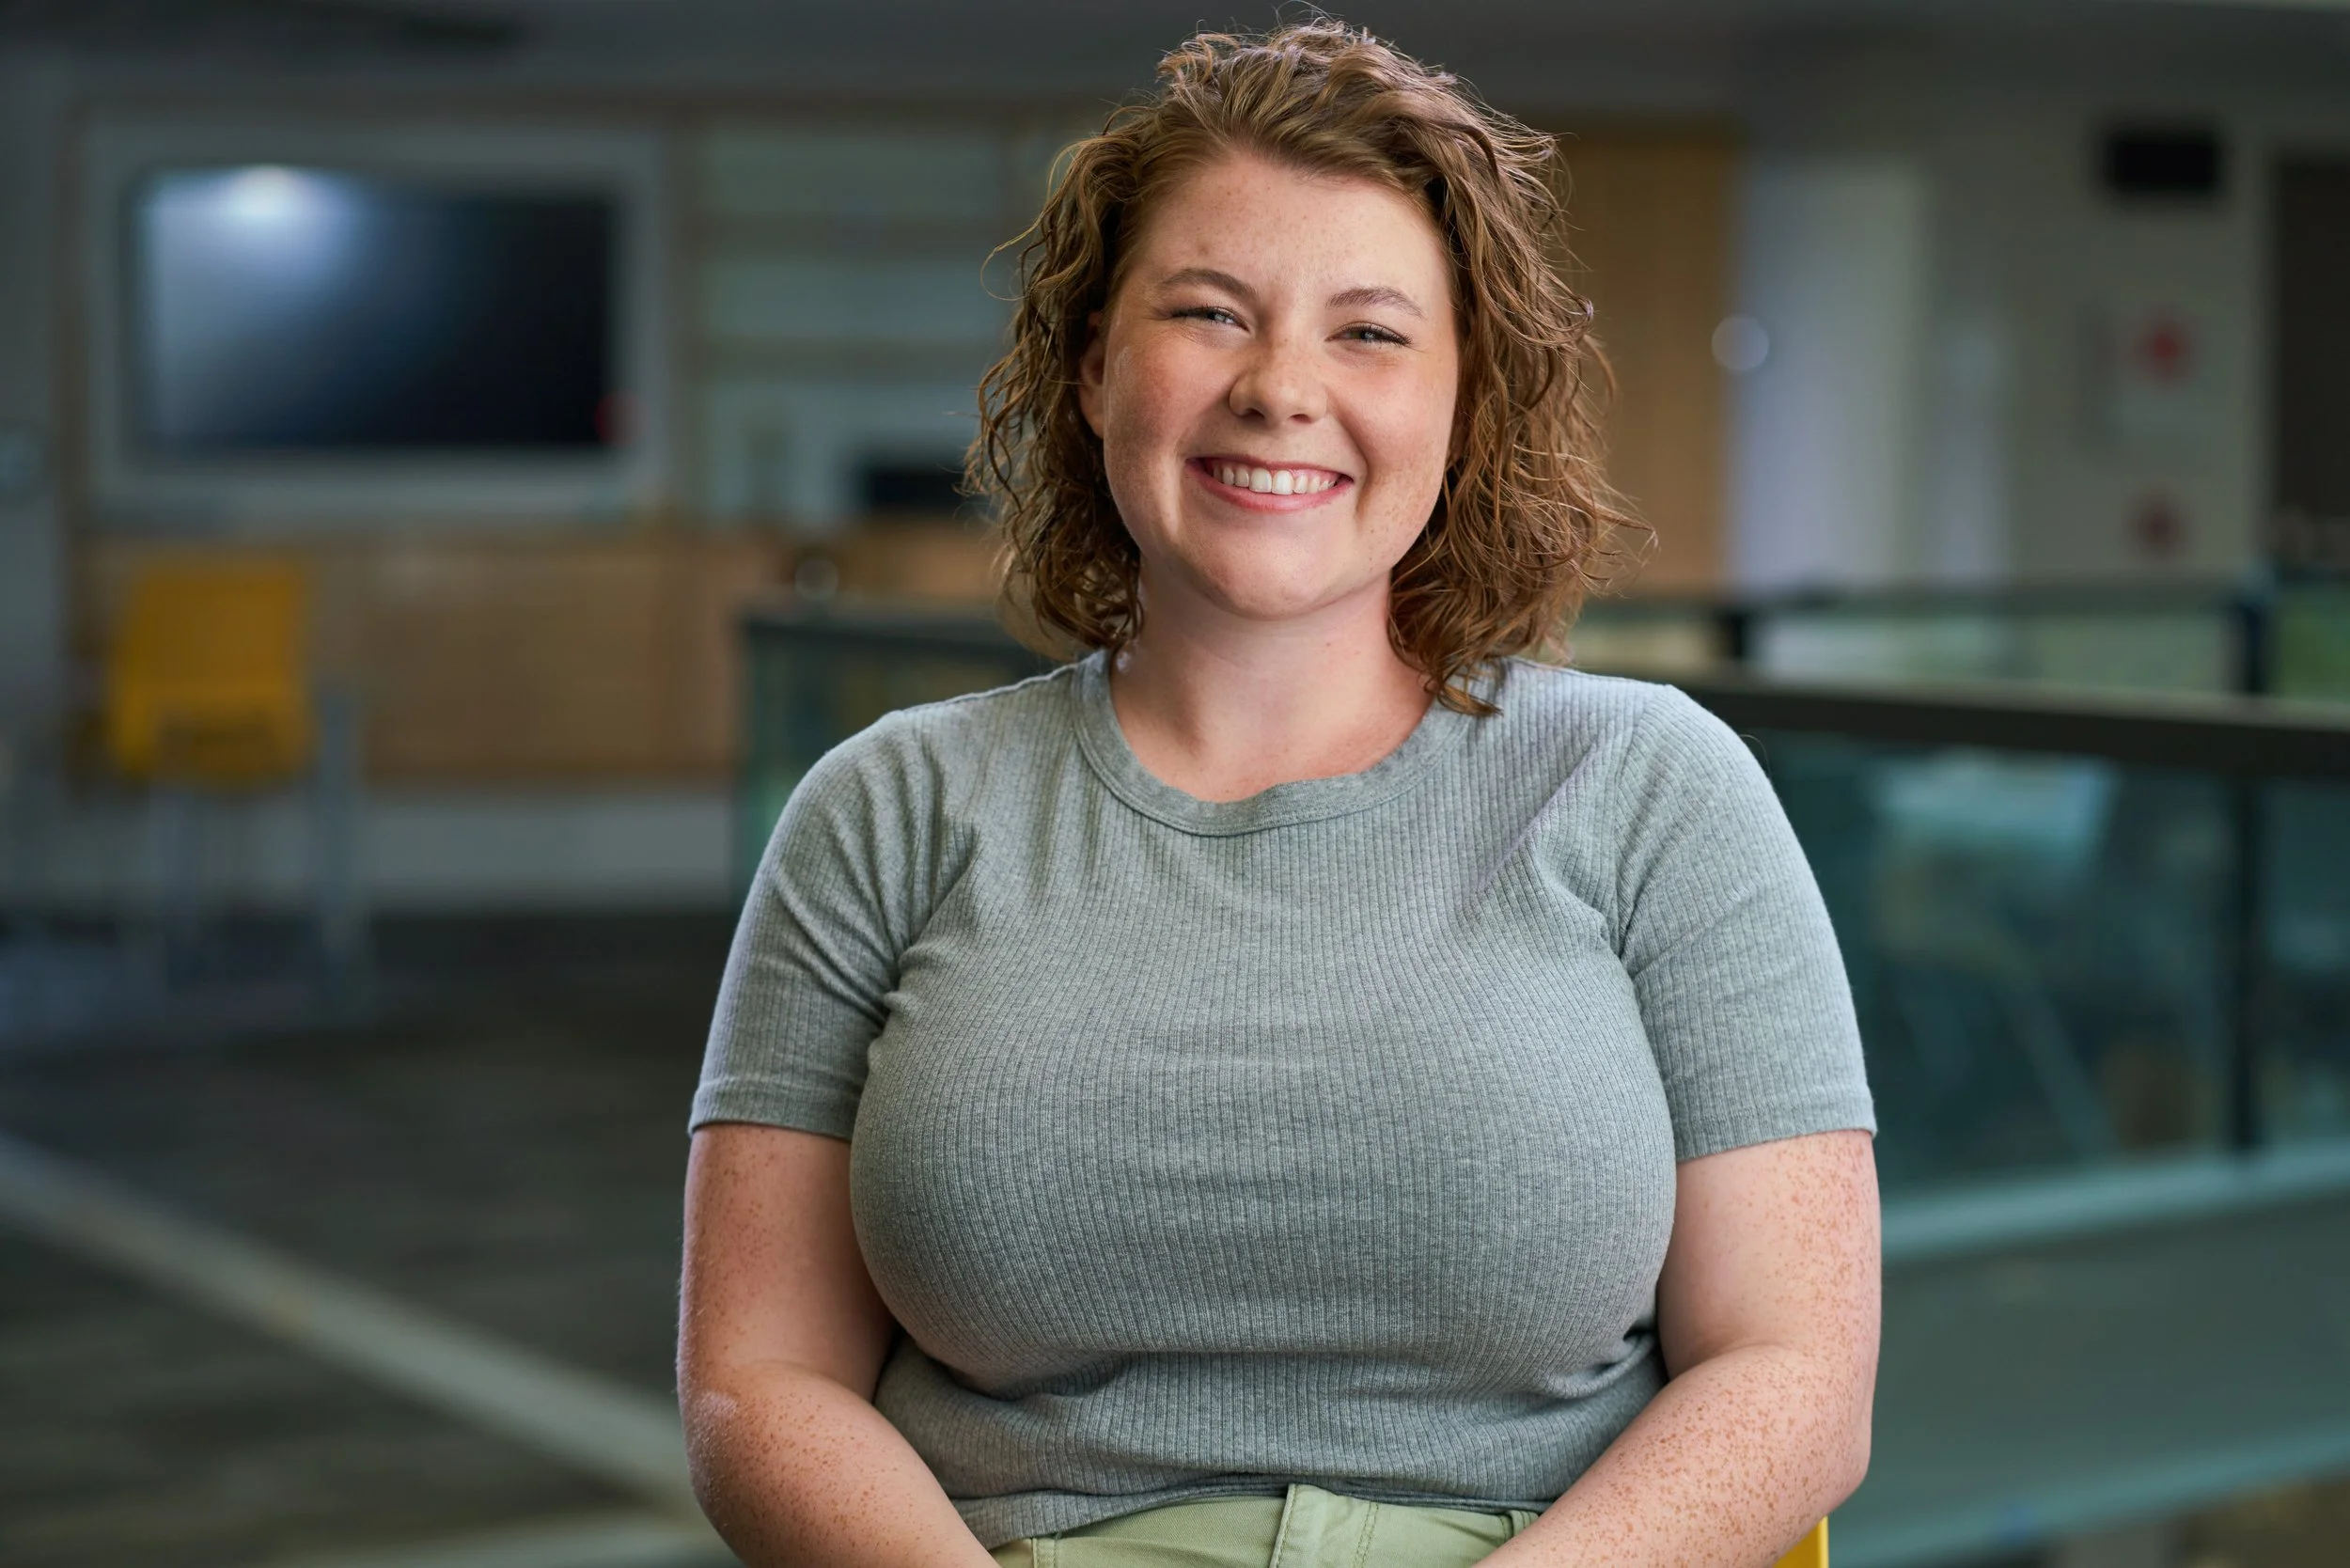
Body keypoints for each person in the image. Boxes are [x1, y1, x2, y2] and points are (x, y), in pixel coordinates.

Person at [678, 21, 1879, 1568]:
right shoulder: (885, 811)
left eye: (1370, 333)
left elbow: (1799, 1381)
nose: (1280, 389)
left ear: (1464, 402)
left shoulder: (1654, 789)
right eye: (1209, 312)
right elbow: (755, 1386)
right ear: (1098, 365)